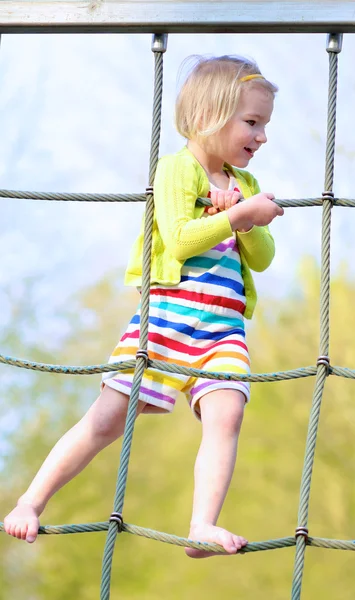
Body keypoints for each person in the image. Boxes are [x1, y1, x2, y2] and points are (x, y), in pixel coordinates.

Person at [4, 55, 283, 558]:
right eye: (252, 122)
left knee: (227, 416)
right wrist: (235, 215)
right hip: (166, 323)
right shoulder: (177, 169)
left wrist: (250, 216)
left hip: (222, 332)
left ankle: (202, 525)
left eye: (264, 125)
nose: (261, 136)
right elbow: (178, 240)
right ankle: (30, 501)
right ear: (207, 118)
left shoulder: (248, 187)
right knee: (107, 420)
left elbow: (262, 259)